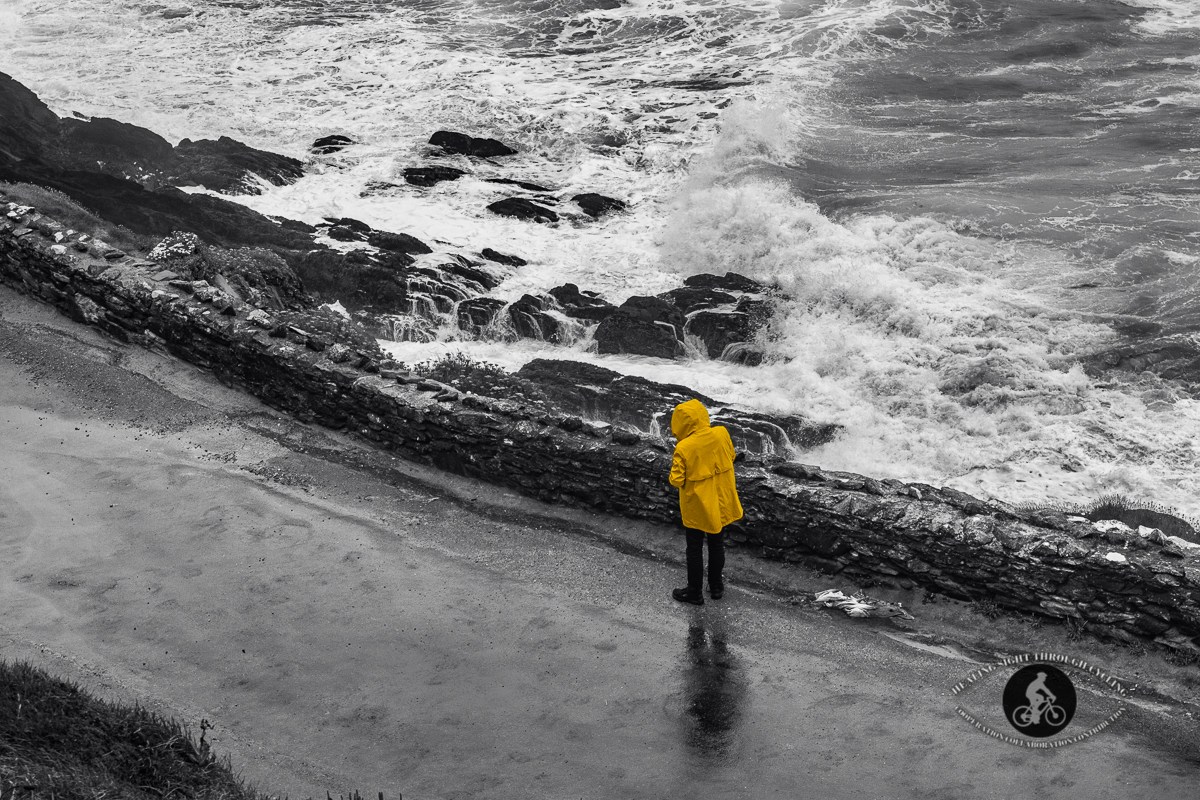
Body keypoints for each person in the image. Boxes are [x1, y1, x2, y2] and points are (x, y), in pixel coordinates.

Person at [668, 399, 743, 605]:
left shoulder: (684, 447)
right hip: (719, 500)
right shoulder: (721, 433)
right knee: (717, 543)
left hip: (697, 505)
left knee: (694, 547)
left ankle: (694, 593)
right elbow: (732, 455)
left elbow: (676, 479)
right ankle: (716, 586)